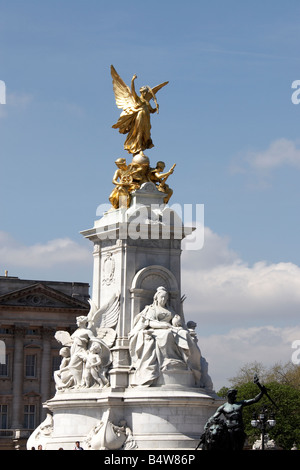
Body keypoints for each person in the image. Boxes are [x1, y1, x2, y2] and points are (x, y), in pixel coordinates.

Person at [128, 286, 201, 386]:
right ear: (156, 298)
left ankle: (186, 361)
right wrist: (163, 325)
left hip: (170, 328)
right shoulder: (151, 309)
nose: (163, 300)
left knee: (184, 334)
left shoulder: (170, 309)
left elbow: (178, 320)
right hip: (156, 330)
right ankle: (168, 359)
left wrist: (177, 320)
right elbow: (149, 322)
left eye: (165, 298)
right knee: (167, 334)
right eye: (162, 297)